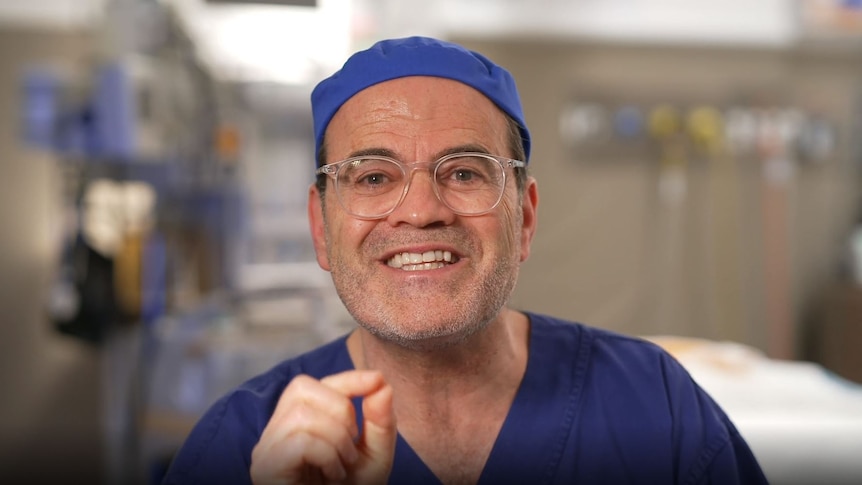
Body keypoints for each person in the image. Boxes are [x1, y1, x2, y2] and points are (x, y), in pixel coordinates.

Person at [162, 36, 768, 485]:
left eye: (464, 173)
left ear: (524, 217)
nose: (422, 211)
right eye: (373, 176)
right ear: (321, 227)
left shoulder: (654, 408)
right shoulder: (241, 447)